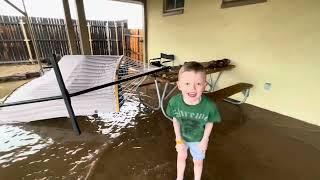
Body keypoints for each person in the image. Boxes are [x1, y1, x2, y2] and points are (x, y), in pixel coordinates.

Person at [166, 61, 221, 180]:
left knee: (198, 162)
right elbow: (175, 119)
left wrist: (205, 140)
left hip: (198, 140)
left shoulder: (209, 106)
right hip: (182, 137)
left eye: (198, 83)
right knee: (181, 157)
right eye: (187, 83)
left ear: (205, 85)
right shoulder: (174, 102)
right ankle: (179, 178)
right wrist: (178, 138)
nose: (193, 88)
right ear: (179, 85)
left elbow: (209, 122)